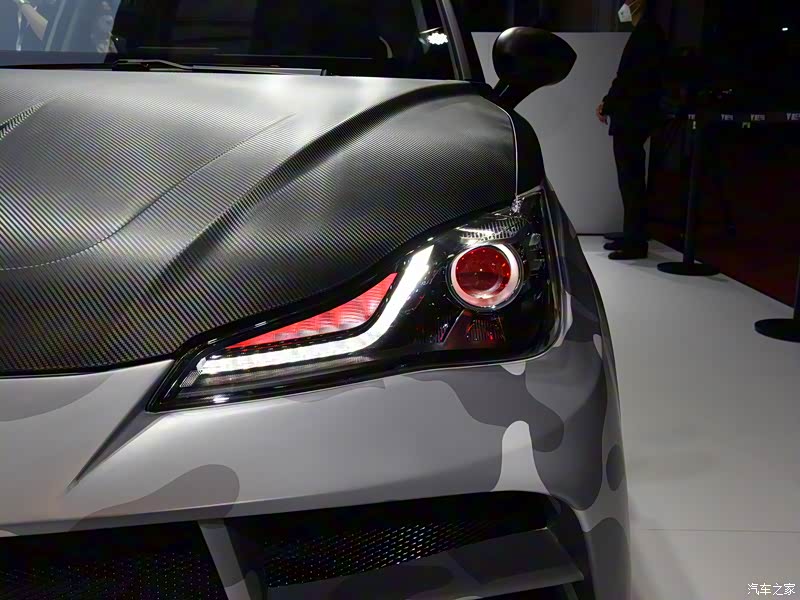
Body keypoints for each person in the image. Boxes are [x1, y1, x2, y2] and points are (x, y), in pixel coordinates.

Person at [597, 0, 667, 260]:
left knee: (631, 179)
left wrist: (608, 103)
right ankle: (632, 234)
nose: (624, 5)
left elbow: (629, 77)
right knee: (630, 179)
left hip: (633, 116)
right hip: (634, 115)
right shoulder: (648, 32)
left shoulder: (647, 33)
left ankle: (635, 241)